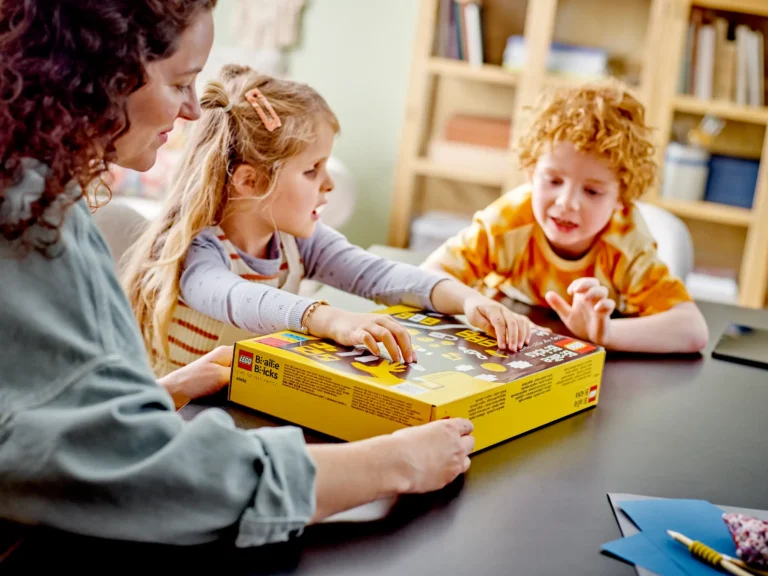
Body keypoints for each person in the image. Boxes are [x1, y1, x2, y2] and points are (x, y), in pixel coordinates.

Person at [0, 0, 475, 553]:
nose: (191, 112)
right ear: (104, 75)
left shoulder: (42, 190)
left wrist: (161, 392)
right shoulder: (28, 217)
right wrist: (393, 462)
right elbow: (156, 481)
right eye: (181, 83)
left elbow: (38, 408)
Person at [122, 65, 536, 380]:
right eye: (311, 170)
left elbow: (379, 276)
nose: (329, 183)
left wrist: (470, 300)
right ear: (250, 181)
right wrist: (332, 319)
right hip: (179, 424)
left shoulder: (296, 241)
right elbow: (240, 299)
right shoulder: (197, 251)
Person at [422, 82, 709, 354]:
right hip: (511, 345)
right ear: (532, 172)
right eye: (554, 180)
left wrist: (606, 334)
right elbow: (427, 276)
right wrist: (476, 302)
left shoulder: (626, 245)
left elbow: (692, 329)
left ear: (621, 197)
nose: (567, 203)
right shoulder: (508, 223)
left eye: (593, 191)